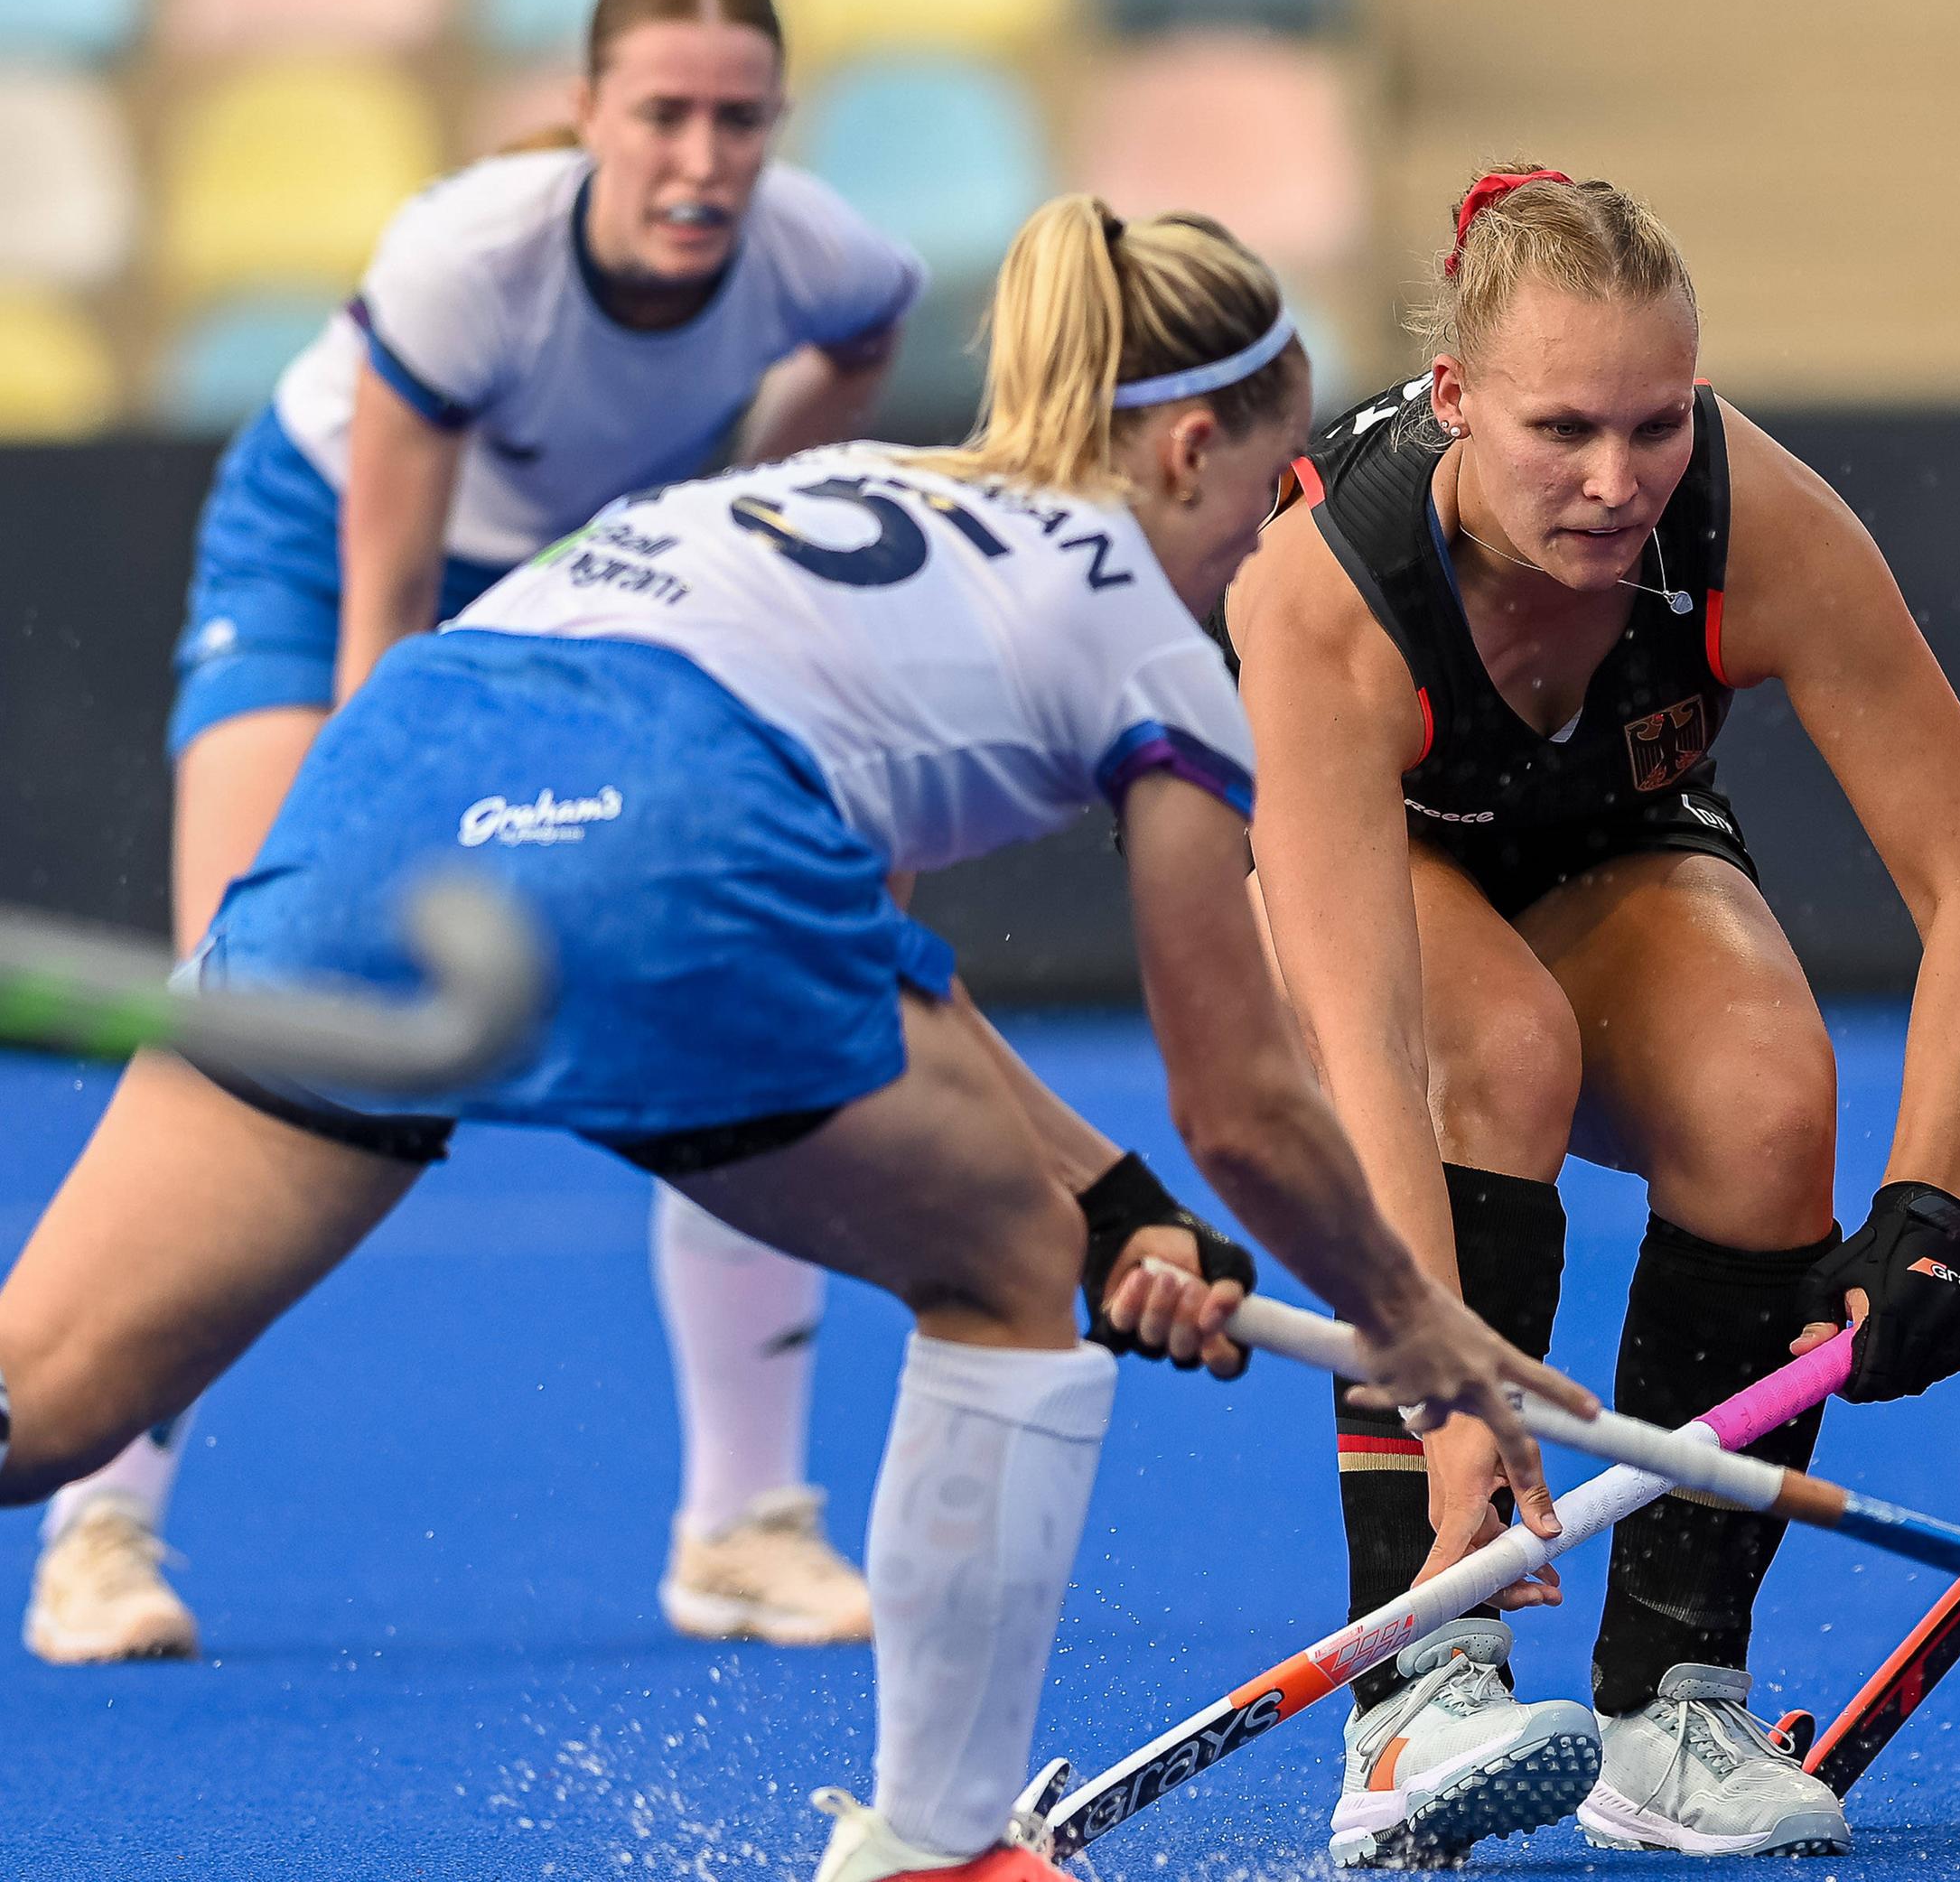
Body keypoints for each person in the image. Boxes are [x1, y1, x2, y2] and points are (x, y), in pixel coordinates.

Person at [0, 195, 1598, 1882]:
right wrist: (1416, 1327)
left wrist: (1111, 1195)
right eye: (1265, 494)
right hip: (666, 852)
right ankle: (941, 1848)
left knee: (47, 1399)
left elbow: (870, 959)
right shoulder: (1146, 642)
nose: (1259, 548)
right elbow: (1252, 1106)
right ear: (1191, 446)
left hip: (392, 789)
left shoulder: (819, 493)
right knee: (1000, 1274)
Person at [33, 0, 924, 1666]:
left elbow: (863, 345)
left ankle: (742, 1527)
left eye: (741, 120)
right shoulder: (462, 261)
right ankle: (99, 1530)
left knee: (746, 1000)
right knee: (244, 1015)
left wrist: (715, 505)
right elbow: (384, 645)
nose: (700, 156)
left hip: (588, 580)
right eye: (661, 112)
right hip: (334, 572)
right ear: (584, 113)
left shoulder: (829, 254)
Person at [1225, 165, 1960, 1865]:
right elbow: (1371, 1043)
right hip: (1378, 898)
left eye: (1659, 423)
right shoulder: (1324, 596)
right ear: (1453, 400)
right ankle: (1414, 1688)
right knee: (1492, 1052)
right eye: (1561, 430)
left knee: (1766, 1101)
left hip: (1607, 850)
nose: (1617, 483)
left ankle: (1671, 1702)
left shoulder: (1761, 523)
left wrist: (1925, 1211)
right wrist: (1445, 1376)